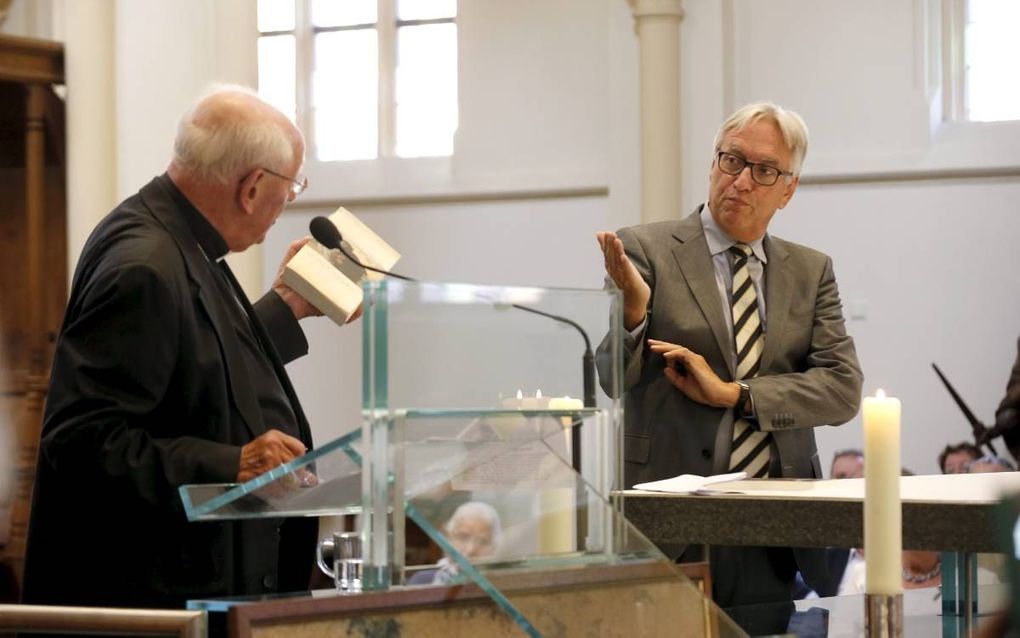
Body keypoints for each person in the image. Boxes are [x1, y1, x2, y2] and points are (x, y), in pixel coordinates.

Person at [22, 86, 344, 609]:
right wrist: (232, 463)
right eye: (292, 189)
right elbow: (80, 443)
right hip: (150, 605)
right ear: (252, 187)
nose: (287, 204)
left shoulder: (178, 239)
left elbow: (193, 363)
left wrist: (284, 308)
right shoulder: (145, 265)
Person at [595, 102, 863, 611]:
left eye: (764, 171)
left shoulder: (810, 271)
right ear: (712, 164)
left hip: (775, 526)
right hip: (671, 520)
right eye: (731, 161)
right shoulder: (644, 249)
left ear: (789, 189)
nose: (741, 181)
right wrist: (632, 313)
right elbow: (610, 377)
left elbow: (842, 389)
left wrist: (735, 395)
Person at [407, 501, 501, 586]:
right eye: (462, 537)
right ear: (447, 537)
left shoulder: (503, 585)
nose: (470, 549)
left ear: (495, 547)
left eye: (482, 541)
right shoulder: (422, 581)